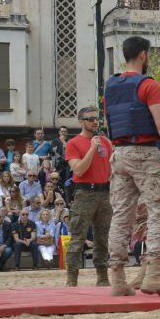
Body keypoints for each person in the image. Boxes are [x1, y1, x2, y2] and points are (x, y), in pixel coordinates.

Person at [104, 36, 160, 297]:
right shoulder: (149, 85)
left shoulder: (110, 85)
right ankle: (153, 275)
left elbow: (109, 124)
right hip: (145, 153)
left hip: (119, 153)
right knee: (159, 212)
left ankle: (117, 278)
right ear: (143, 55)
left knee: (121, 216)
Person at [63, 108, 113, 287]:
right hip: (85, 193)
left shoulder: (106, 143)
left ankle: (103, 277)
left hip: (105, 194)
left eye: (96, 119)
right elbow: (79, 170)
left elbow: (113, 168)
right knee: (78, 237)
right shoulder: (73, 143)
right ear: (80, 121)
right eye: (90, 118)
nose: (94, 122)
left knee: (102, 238)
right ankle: (72, 279)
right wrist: (92, 148)